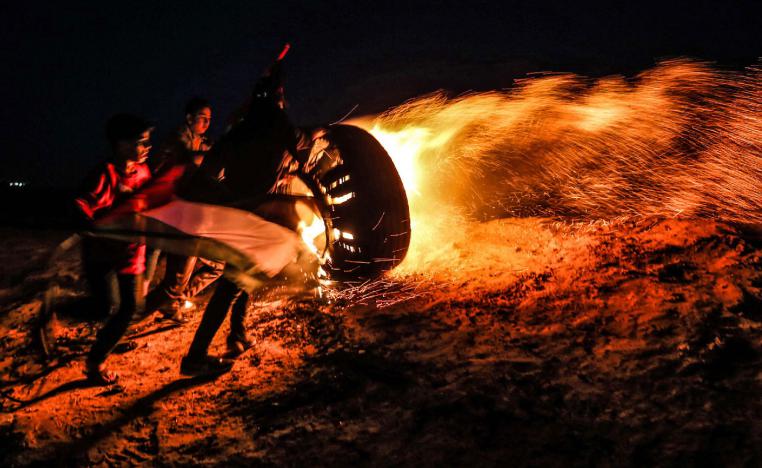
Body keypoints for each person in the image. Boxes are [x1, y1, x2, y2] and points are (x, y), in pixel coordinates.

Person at [178, 47, 318, 376]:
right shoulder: (276, 120)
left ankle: (237, 335)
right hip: (255, 216)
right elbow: (302, 151)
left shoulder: (240, 129)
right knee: (233, 283)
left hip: (237, 212)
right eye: (281, 95)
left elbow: (210, 170)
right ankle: (195, 356)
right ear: (276, 98)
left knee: (248, 276)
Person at [74, 113, 153, 385]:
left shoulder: (143, 172)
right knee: (106, 307)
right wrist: (88, 223)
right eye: (141, 143)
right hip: (102, 254)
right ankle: (59, 310)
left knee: (131, 308)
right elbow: (82, 204)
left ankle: (96, 359)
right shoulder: (105, 173)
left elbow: (151, 202)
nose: (146, 148)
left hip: (132, 253)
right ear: (121, 145)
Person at [146, 98, 223, 321]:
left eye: (210, 119)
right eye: (203, 118)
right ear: (189, 118)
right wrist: (216, 157)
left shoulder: (205, 142)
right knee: (163, 277)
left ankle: (175, 302)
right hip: (171, 214)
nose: (207, 123)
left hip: (193, 216)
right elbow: (187, 159)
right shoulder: (178, 139)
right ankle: (126, 322)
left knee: (217, 265)